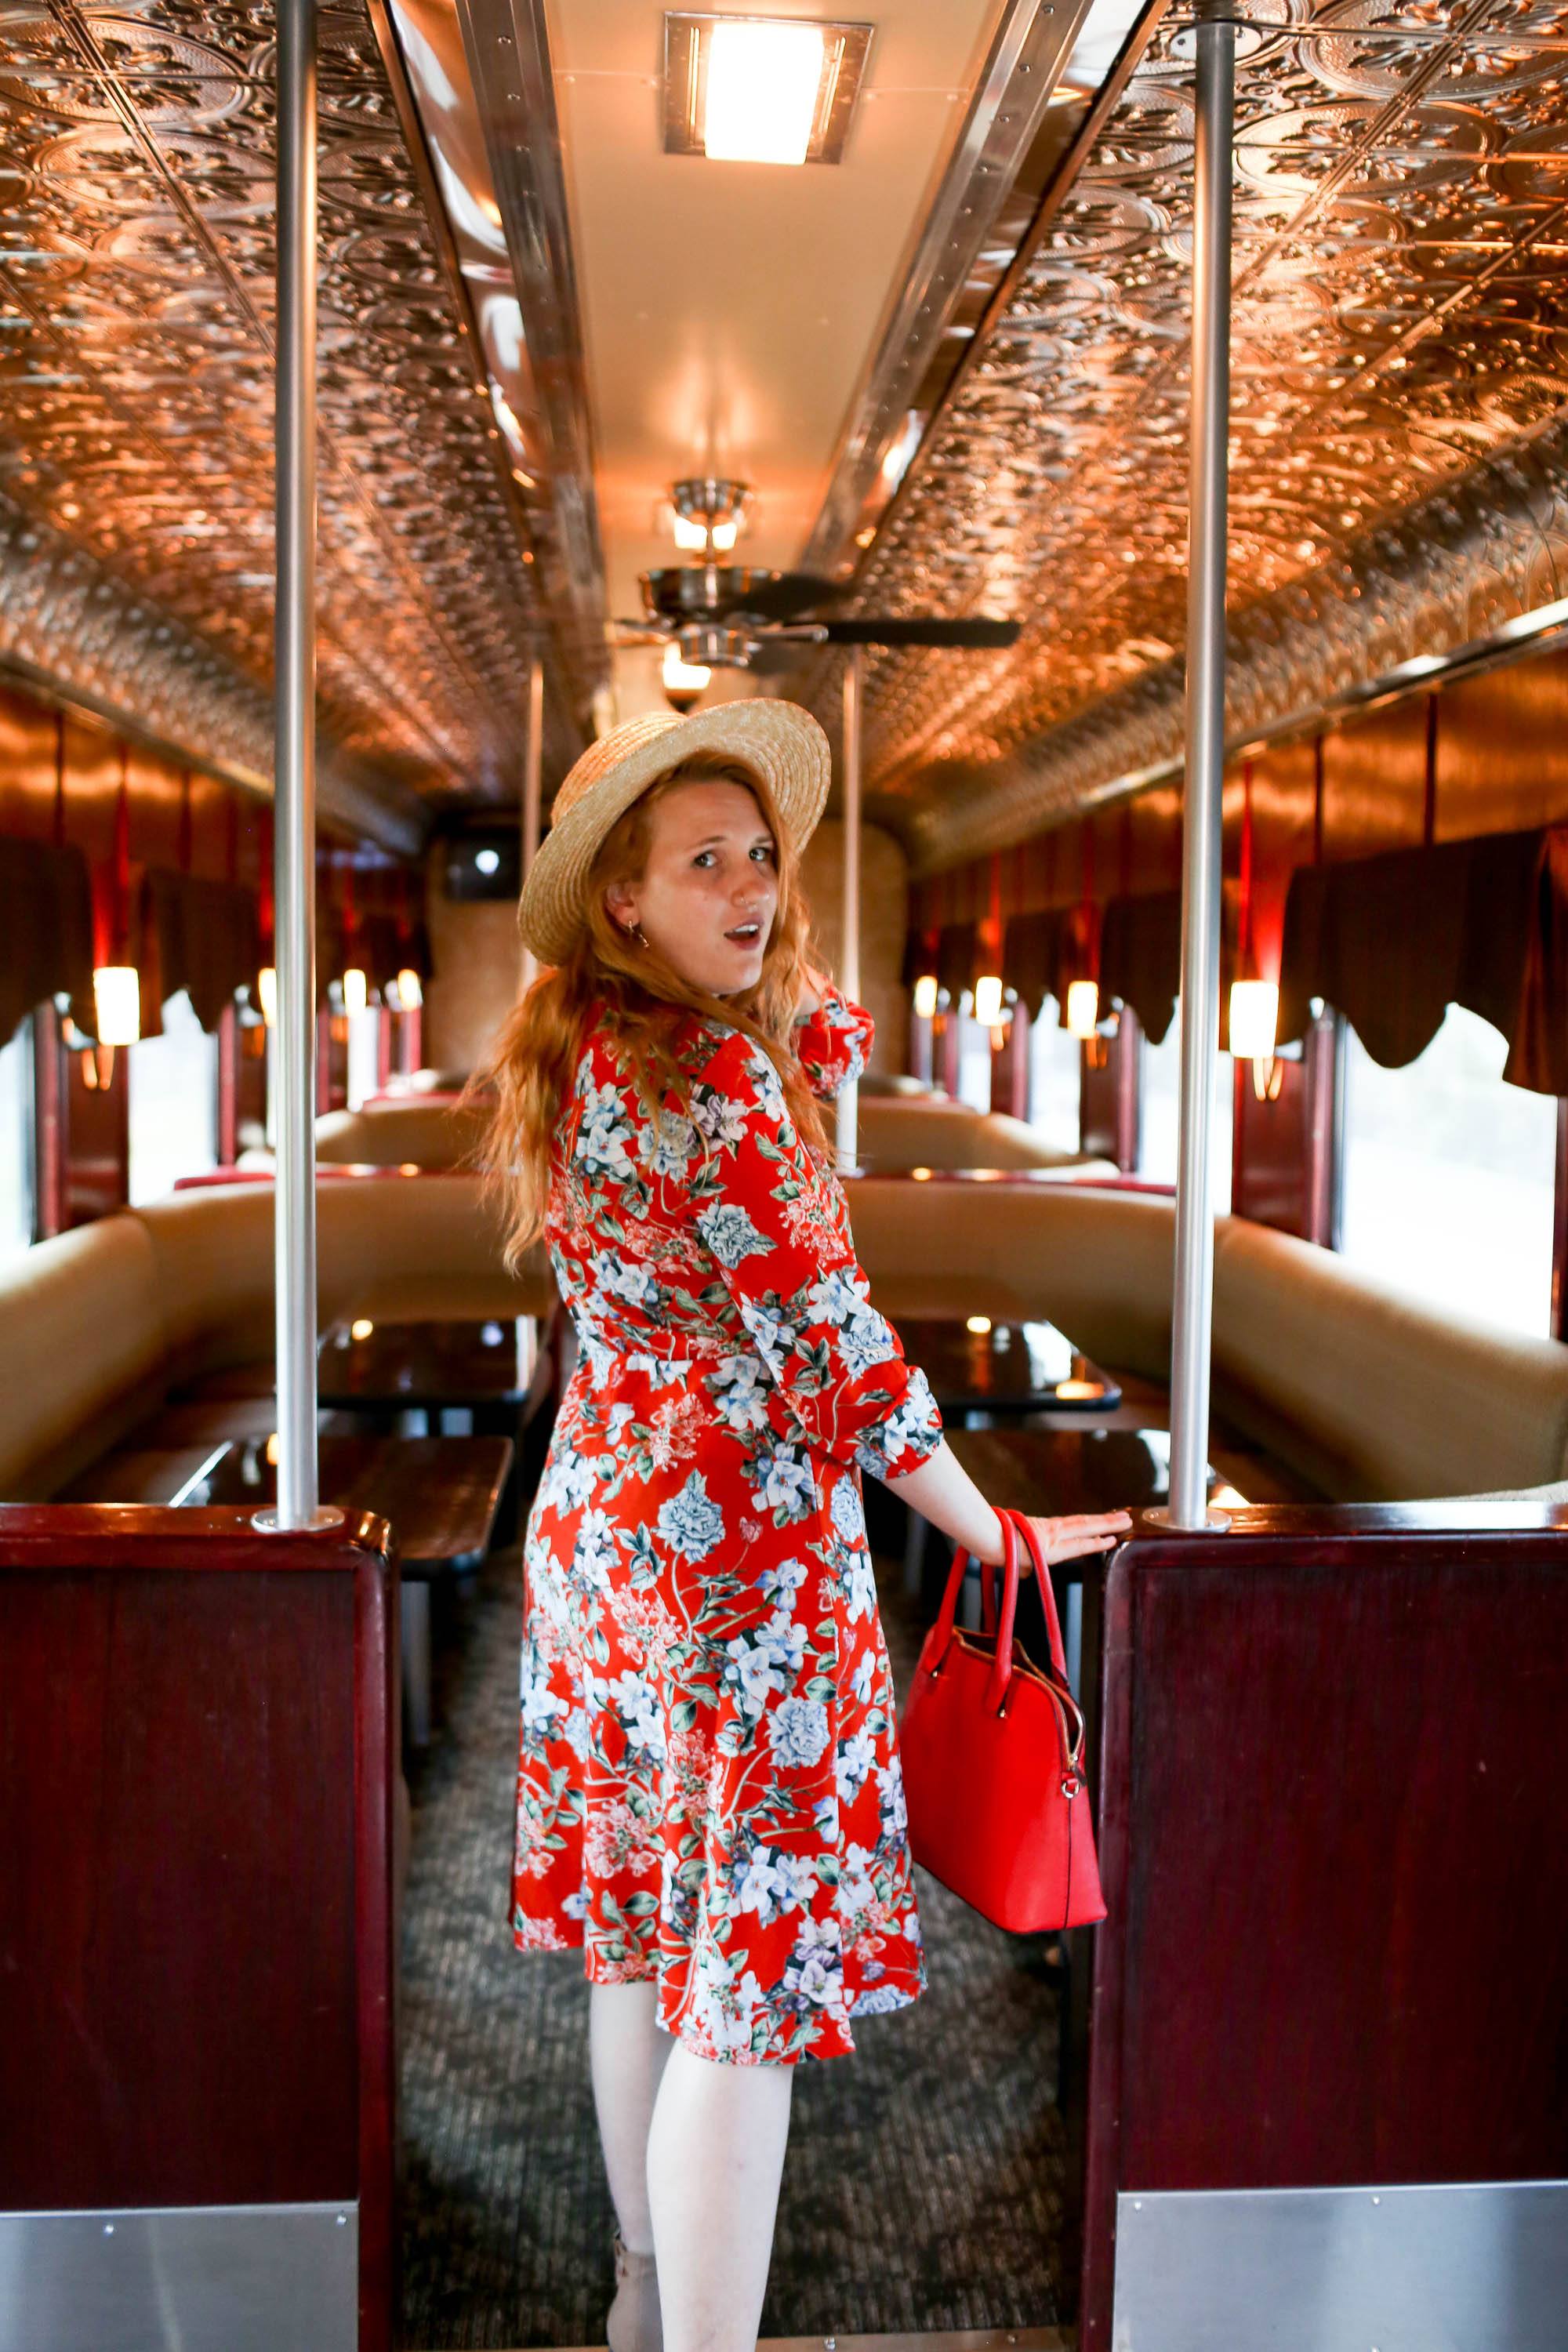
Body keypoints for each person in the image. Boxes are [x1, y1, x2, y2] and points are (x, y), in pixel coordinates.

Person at [475, 702, 1130, 2352]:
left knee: (637, 1936)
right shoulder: (718, 1086)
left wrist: (782, 1021)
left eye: (763, 855)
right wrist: (993, 1537)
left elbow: (754, 1176)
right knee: (745, 1995)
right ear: (622, 896)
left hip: (603, 1544)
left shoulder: (587, 1057)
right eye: (705, 862)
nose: (753, 886)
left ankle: (640, 2298)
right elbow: (837, 1356)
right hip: (739, 1576)